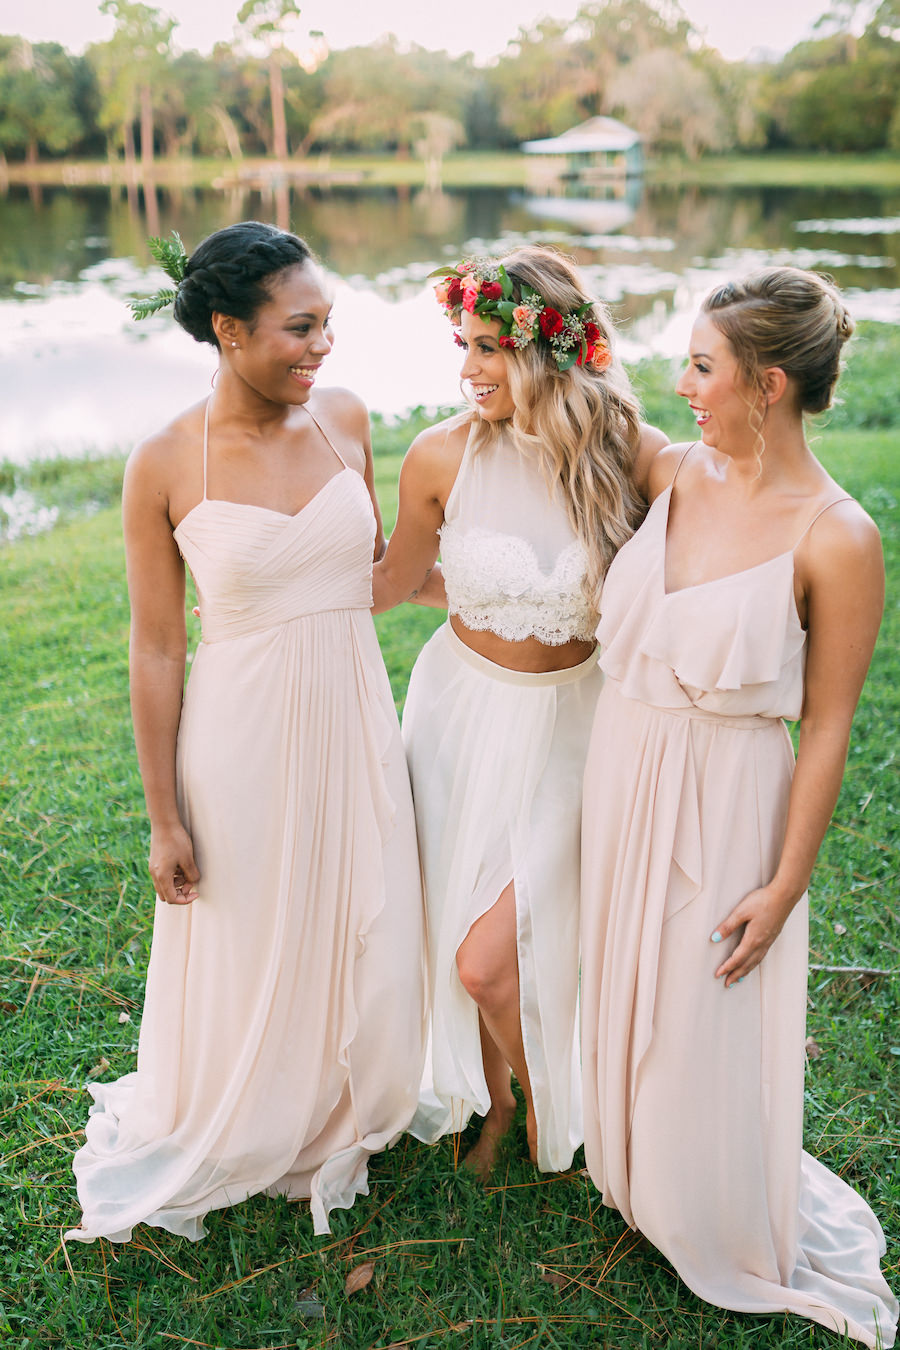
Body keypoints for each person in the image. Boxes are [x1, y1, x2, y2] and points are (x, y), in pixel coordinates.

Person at [65, 221, 426, 1244]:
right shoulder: (165, 462)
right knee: (252, 924)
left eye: (329, 326)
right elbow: (154, 651)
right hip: (241, 736)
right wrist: (162, 817)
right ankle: (248, 1111)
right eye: (299, 329)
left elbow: (375, 569)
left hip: (353, 714)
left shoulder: (348, 420)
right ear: (228, 329)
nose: (322, 349)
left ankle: (337, 1098)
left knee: (365, 911)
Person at [580, 267, 898, 1345]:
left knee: (700, 999)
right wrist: (517, 314)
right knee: (626, 978)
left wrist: (785, 883)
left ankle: (707, 1202)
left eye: (704, 368)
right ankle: (630, 1167)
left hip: (729, 795)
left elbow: (831, 727)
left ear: (767, 384)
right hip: (626, 763)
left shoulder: (838, 537)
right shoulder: (677, 471)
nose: (684, 384)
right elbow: (563, 394)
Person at [373, 245, 666, 1179]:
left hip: (573, 729)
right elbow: (395, 582)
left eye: (492, 347)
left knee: (491, 957)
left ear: (554, 348)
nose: (469, 370)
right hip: (458, 717)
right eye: (463, 345)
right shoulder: (438, 455)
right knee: (458, 933)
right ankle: (497, 1102)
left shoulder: (631, 455)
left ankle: (546, 1101)